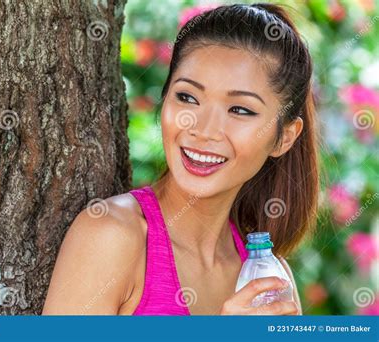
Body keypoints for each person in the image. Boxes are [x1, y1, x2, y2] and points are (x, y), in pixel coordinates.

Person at [43, 3, 318, 315]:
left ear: (284, 137)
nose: (203, 130)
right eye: (188, 97)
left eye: (240, 110)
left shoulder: (266, 277)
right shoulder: (111, 235)